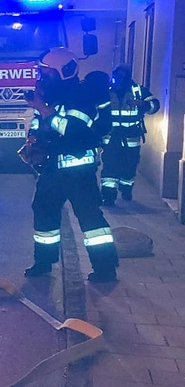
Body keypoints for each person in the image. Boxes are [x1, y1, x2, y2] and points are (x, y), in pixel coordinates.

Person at [23, 48, 119, 283]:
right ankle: (43, 262)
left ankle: (105, 268)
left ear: (63, 72)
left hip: (78, 171)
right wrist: (34, 139)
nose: (43, 78)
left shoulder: (81, 95)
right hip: (52, 170)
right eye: (41, 73)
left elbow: (73, 130)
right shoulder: (52, 95)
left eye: (47, 74)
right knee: (43, 213)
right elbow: (41, 124)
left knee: (90, 220)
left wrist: (45, 111)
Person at [100, 64, 161, 204]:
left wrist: (143, 105)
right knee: (110, 166)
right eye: (117, 76)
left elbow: (154, 105)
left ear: (128, 77)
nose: (119, 79)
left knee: (129, 166)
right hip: (111, 137)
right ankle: (108, 196)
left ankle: (126, 188)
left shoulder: (138, 91)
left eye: (123, 76)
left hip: (131, 136)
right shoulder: (106, 91)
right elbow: (98, 109)